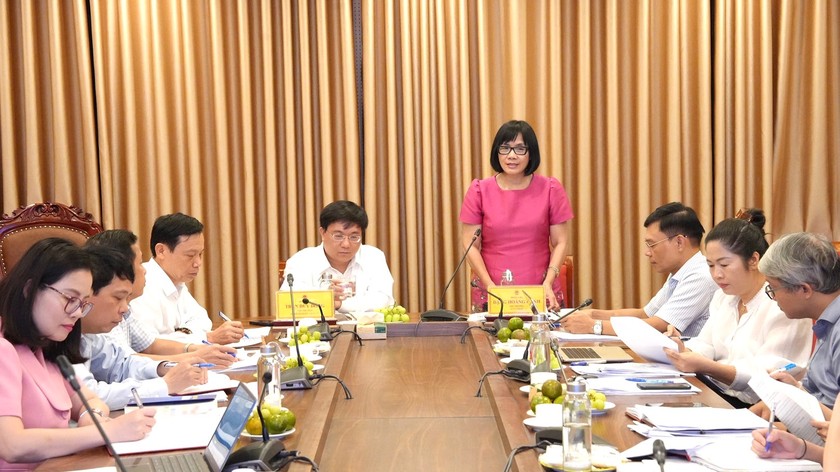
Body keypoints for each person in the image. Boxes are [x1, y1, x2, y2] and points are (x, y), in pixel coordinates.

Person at [0, 238, 154, 469]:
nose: (77, 313)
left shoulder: (45, 348)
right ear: (30, 289)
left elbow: (89, 401)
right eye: (70, 299)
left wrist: (90, 417)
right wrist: (106, 431)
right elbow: (12, 445)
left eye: (83, 303)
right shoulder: (4, 349)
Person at [662, 209, 813, 407]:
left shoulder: (783, 305)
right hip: (716, 392)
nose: (716, 274)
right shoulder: (724, 297)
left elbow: (766, 377)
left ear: (754, 260)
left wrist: (708, 367)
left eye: (724, 265)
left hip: (760, 407)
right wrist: (682, 349)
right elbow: (706, 345)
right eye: (710, 265)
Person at [76, 244, 209, 409]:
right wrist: (165, 385)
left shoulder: (87, 334)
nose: (125, 309)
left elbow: (122, 363)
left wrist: (165, 368)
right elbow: (89, 396)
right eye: (118, 298)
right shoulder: (60, 334)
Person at [459, 120, 574, 311]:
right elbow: (470, 245)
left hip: (541, 291)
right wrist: (490, 286)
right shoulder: (479, 190)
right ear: (496, 152)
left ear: (531, 153)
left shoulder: (550, 189)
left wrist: (548, 281)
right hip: (493, 292)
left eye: (520, 149)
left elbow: (560, 242)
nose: (512, 155)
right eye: (505, 148)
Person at [560, 202, 717, 336]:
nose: (647, 252)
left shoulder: (700, 276)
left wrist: (594, 326)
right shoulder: (680, 273)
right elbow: (644, 314)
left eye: (652, 244)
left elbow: (658, 325)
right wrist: (593, 314)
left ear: (679, 242)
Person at [87, 230, 235, 367]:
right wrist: (195, 355)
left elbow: (150, 344)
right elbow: (123, 365)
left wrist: (196, 349)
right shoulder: (102, 314)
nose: (145, 270)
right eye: (140, 264)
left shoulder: (126, 307)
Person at [749, 232, 840, 421]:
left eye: (772, 288)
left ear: (804, 289)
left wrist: (796, 397)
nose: (772, 297)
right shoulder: (825, 322)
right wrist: (794, 391)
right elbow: (823, 396)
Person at [130, 213, 244, 343]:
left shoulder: (176, 282)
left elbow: (202, 320)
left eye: (200, 254)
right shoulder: (142, 285)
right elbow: (148, 344)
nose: (198, 263)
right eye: (190, 255)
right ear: (161, 251)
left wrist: (182, 332)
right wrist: (207, 337)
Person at [281, 200, 394, 315]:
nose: (346, 244)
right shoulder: (301, 261)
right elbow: (289, 302)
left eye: (354, 237)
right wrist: (325, 296)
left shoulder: (373, 257)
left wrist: (338, 304)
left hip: (365, 326)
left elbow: (384, 300)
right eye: (338, 236)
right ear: (323, 233)